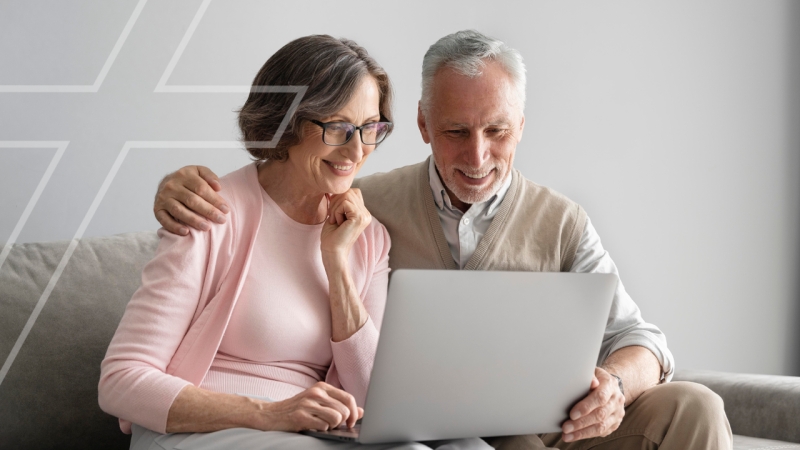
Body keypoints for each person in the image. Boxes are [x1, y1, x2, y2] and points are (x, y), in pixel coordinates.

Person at [152, 30, 733, 449]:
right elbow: (283, 194)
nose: (478, 156)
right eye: (456, 132)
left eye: (497, 131)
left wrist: (612, 384)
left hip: (566, 418)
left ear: (521, 126)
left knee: (696, 406)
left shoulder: (563, 221)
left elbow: (640, 337)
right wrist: (178, 187)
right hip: (471, 430)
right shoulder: (362, 206)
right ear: (425, 125)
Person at [99, 35, 491, 450]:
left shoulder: (367, 235)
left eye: (370, 128)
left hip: (311, 429)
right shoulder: (209, 211)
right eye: (338, 128)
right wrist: (271, 414)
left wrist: (338, 264)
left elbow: (371, 397)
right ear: (287, 122)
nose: (358, 150)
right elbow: (121, 380)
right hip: (205, 427)